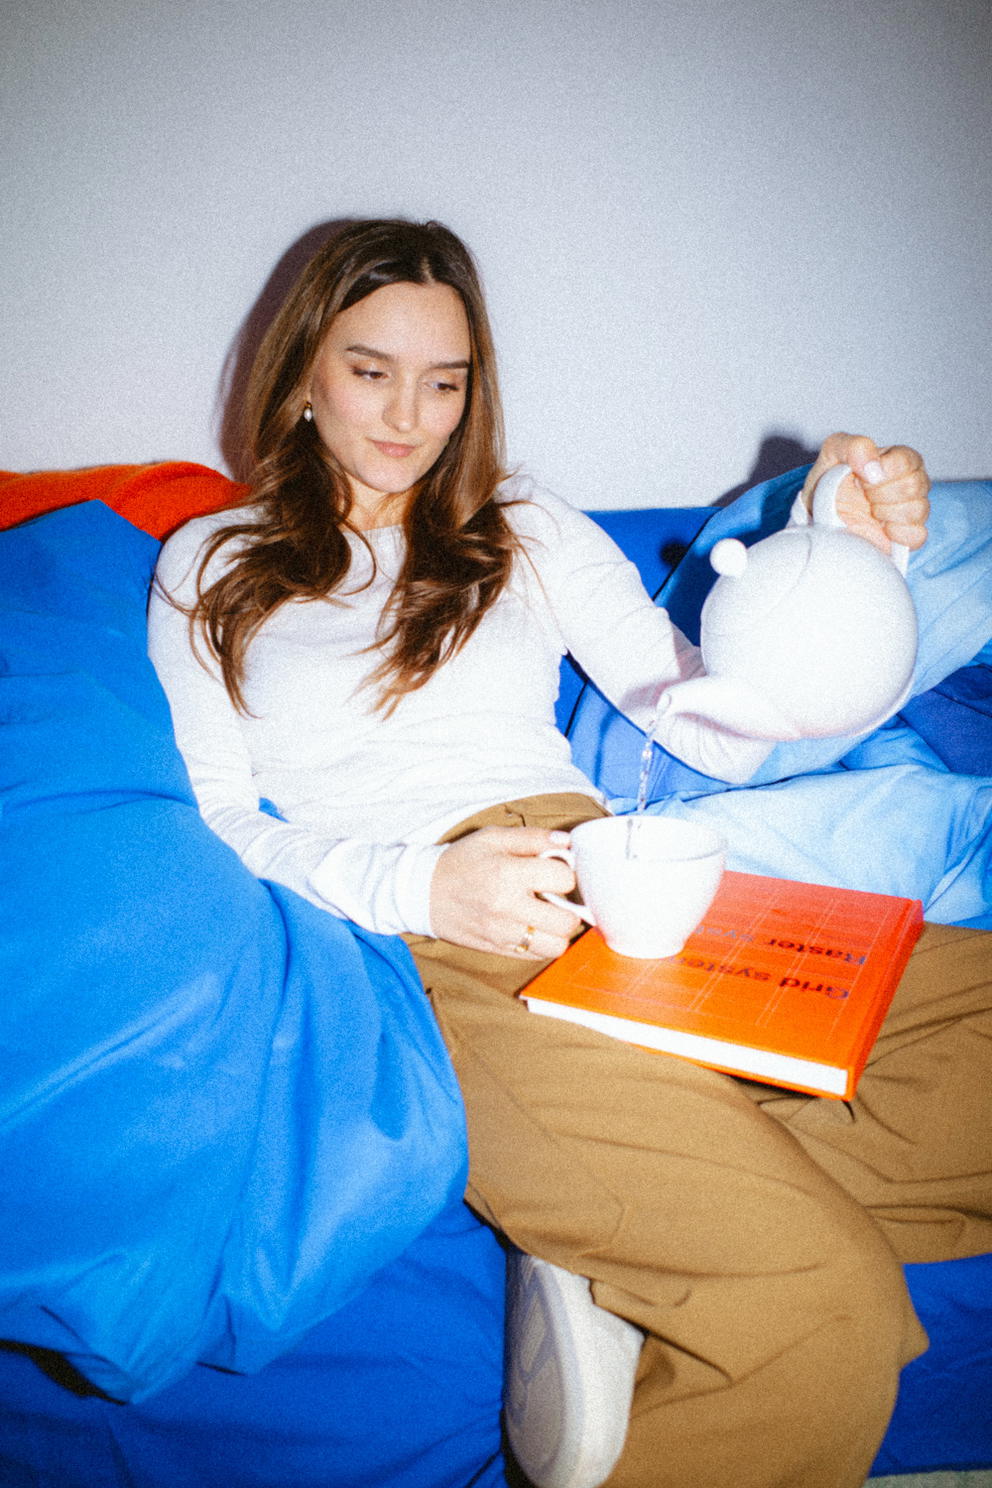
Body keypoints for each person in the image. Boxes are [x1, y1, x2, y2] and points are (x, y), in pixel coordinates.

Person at [147, 217, 991, 1488]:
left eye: (446, 381)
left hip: (635, 880)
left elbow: (707, 718)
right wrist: (424, 884)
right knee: (823, 1311)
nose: (407, 416)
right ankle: (681, 1216)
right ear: (302, 371)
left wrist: (830, 562)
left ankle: (634, 1217)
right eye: (370, 370)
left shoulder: (522, 523)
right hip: (438, 937)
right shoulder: (210, 565)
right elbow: (222, 824)